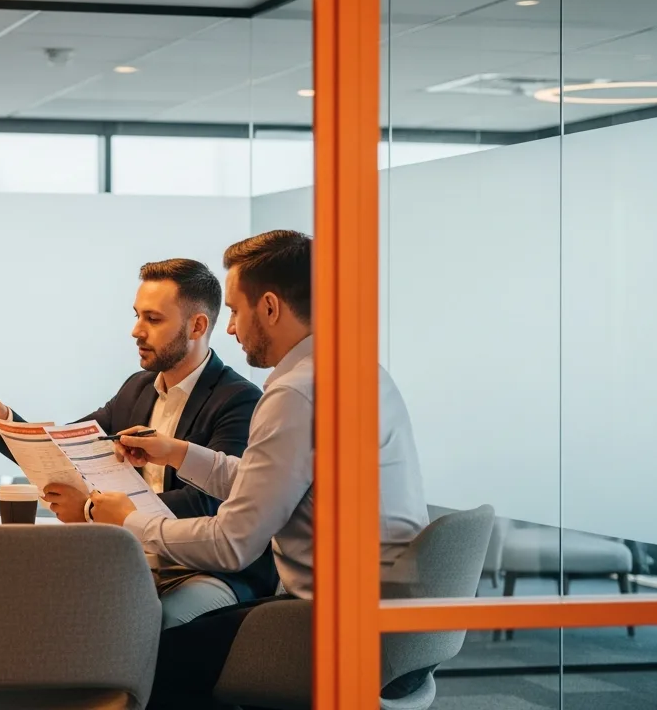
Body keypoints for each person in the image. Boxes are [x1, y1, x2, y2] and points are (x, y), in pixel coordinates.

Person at [92, 230, 429, 708]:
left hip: (329, 625)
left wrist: (128, 521)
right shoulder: (355, 369)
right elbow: (269, 484)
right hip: (383, 617)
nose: (229, 329)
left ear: (270, 307)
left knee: (147, 666)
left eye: (234, 310)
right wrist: (178, 452)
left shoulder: (295, 392)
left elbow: (232, 544)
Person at [0, 258, 278, 627]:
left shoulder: (240, 399)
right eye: (137, 316)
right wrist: (3, 421)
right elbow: (62, 451)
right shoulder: (136, 388)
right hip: (131, 561)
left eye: (153, 319)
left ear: (197, 325)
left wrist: (92, 509)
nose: (136, 331)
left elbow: (210, 502)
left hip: (208, 572)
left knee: (149, 627)